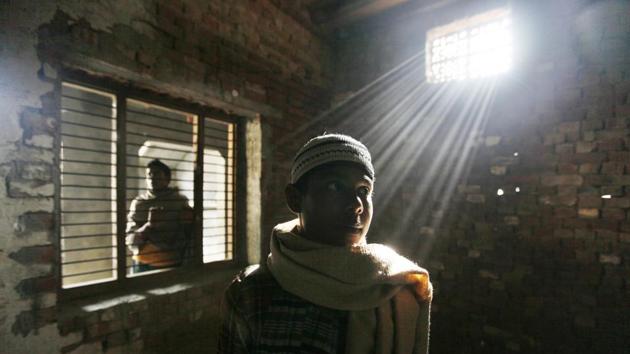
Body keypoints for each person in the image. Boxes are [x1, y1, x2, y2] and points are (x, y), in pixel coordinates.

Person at [218, 134, 433, 353]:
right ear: (295, 199)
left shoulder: (394, 286)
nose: (356, 204)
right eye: (334, 187)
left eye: (363, 190)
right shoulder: (251, 292)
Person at [126, 159, 193, 273]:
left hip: (172, 261)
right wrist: (149, 225)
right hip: (144, 263)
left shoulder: (179, 201)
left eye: (156, 174)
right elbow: (130, 237)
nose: (151, 178)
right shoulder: (139, 203)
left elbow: (188, 233)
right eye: (149, 175)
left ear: (167, 179)